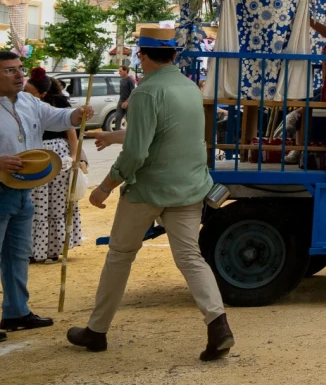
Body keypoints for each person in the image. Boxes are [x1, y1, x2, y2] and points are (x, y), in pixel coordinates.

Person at [66, 26, 232, 360]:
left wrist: (105, 186)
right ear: (173, 54)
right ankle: (219, 325)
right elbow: (163, 133)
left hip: (148, 190)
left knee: (120, 255)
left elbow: (137, 152)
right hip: (189, 187)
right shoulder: (189, 87)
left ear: (142, 56)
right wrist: (116, 137)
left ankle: (97, 331)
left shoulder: (146, 92)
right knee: (190, 257)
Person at [0, 51, 88, 336]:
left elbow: (59, 118)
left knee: (18, 254)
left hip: (24, 189)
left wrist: (76, 114)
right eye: (10, 70)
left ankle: (16, 312)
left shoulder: (29, 101)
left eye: (19, 68)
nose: (19, 75)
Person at [28, 76, 83, 263]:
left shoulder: (58, 102)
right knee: (37, 203)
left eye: (30, 91)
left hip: (57, 154)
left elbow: (71, 130)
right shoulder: (23, 103)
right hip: (35, 153)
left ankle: (53, 248)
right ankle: (34, 250)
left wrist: (74, 156)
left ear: (42, 92)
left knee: (56, 203)